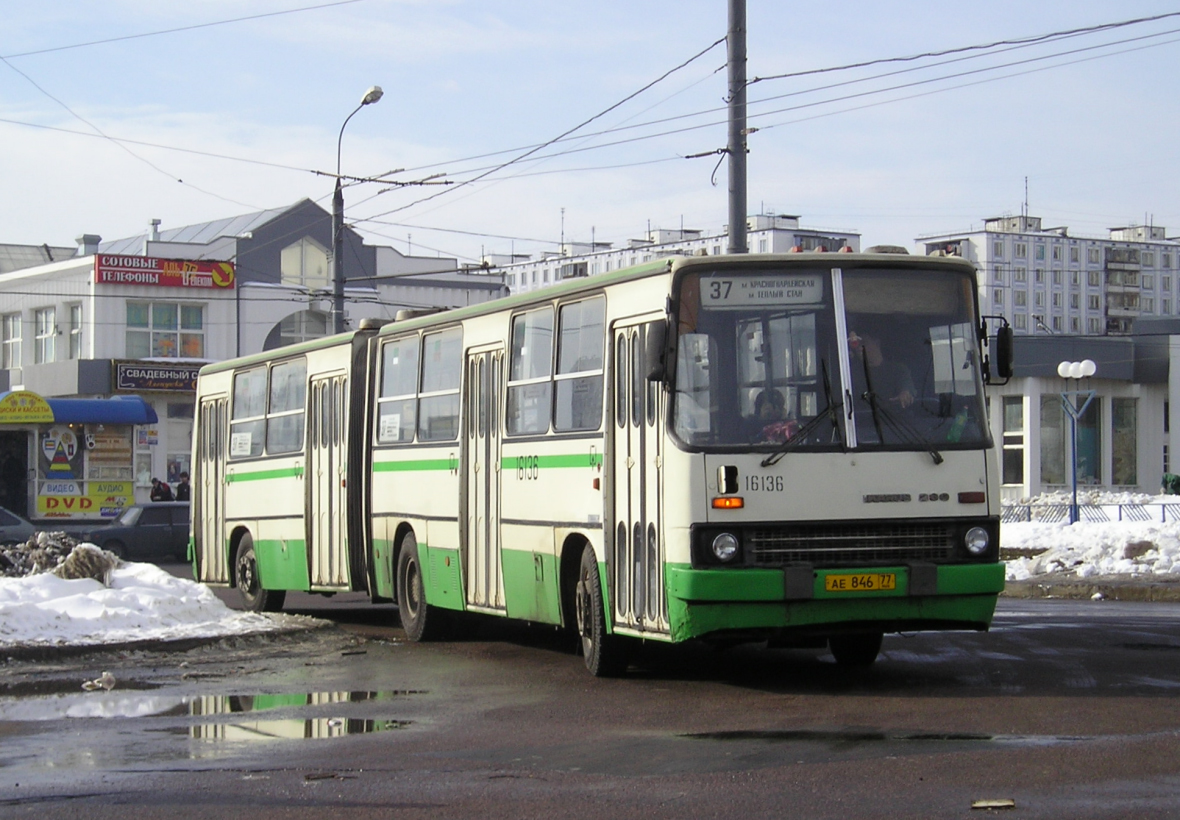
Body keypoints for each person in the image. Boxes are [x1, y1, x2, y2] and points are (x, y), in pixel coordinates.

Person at [848, 330, 915, 409]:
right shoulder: (851, 374)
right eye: (857, 345)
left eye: (863, 343)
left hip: (893, 419)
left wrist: (905, 394)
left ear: (877, 343)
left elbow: (907, 388)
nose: (859, 348)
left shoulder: (898, 370)